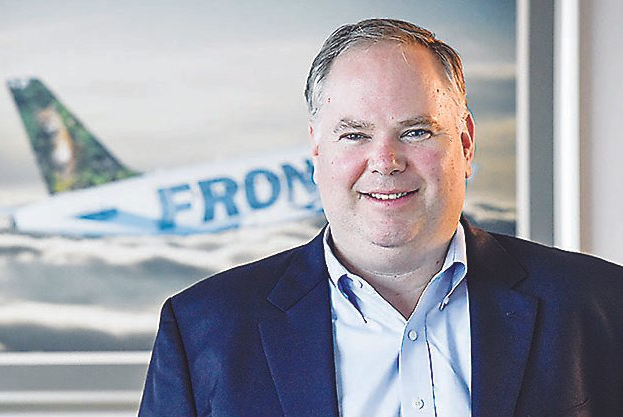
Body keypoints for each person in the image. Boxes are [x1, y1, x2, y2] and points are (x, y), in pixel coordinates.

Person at [139, 18, 623, 417]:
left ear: (465, 143)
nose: (386, 161)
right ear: (317, 150)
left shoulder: (603, 305)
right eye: (355, 135)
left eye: (415, 132)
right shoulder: (202, 329)